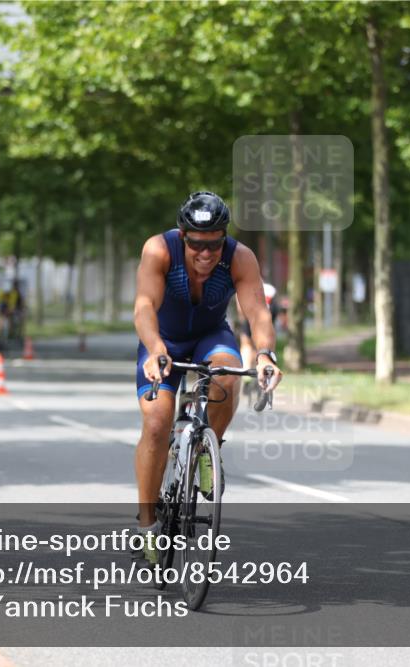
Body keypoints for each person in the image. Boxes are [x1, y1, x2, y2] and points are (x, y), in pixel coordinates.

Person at [133, 191, 283, 563]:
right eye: (197, 244)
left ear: (223, 238)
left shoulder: (239, 257)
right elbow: (144, 306)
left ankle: (206, 446)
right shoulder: (159, 250)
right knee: (155, 423)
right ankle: (147, 525)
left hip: (210, 336)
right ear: (183, 236)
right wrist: (154, 349)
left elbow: (257, 313)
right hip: (161, 340)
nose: (205, 253)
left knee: (228, 378)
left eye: (214, 244)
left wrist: (265, 353)